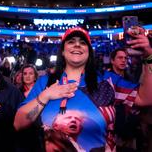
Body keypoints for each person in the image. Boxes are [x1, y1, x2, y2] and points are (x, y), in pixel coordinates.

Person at [14, 26, 152, 152]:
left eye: (83, 42)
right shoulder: (46, 82)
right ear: (62, 51)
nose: (77, 45)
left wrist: (149, 56)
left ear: (89, 52)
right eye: (71, 41)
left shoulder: (107, 80)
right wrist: (45, 95)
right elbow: (18, 123)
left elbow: (146, 98)